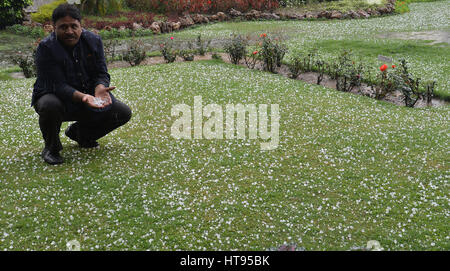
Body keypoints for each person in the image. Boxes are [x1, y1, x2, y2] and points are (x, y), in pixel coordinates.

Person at [32, 4, 131, 165]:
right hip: (56, 97)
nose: (69, 31)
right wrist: (83, 97)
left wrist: (100, 87)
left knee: (122, 112)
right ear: (54, 28)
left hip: (88, 94)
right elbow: (56, 84)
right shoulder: (46, 48)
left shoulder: (93, 41)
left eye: (74, 26)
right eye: (63, 27)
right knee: (49, 104)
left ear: (81, 26)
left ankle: (81, 134)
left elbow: (101, 72)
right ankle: (51, 148)